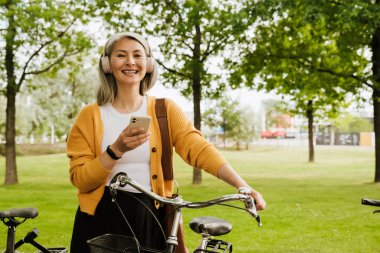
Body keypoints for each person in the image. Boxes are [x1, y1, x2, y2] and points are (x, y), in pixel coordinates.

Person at [66, 31, 266, 253]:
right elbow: (81, 180)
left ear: (149, 64)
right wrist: (116, 150)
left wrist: (242, 185)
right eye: (121, 55)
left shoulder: (165, 110)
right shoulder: (90, 116)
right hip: (101, 219)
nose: (130, 62)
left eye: (138, 55)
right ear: (107, 64)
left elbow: (198, 148)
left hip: (153, 216)